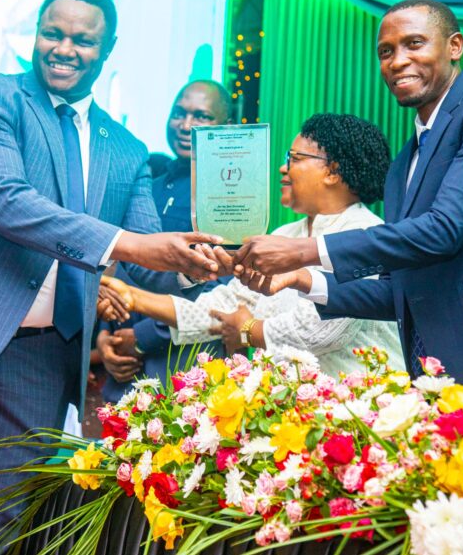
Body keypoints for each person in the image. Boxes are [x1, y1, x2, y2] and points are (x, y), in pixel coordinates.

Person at [0, 0, 222, 554]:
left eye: (82, 40)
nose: (64, 49)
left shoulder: (126, 149)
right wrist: (135, 245)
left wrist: (201, 261)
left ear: (108, 49)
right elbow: (8, 203)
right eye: (52, 34)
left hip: (39, 363)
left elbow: (148, 263)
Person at [233, 0, 463, 391]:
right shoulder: (402, 165)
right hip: (448, 379)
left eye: (414, 44)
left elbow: (444, 229)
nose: (397, 61)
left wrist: (304, 251)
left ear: (454, 46)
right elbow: (399, 290)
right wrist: (303, 279)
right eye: (385, 52)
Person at [102, 113, 404, 376]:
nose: (283, 169)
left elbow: (319, 331)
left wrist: (248, 330)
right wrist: (132, 296)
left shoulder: (365, 235)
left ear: (333, 172)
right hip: (290, 412)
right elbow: (224, 306)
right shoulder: (285, 234)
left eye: (294, 159)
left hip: (359, 410)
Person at [96, 79, 231, 403]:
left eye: (201, 116)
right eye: (179, 113)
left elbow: (223, 291)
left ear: (225, 126)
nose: (185, 125)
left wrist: (141, 338)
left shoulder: (229, 196)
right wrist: (105, 337)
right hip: (123, 372)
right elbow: (124, 263)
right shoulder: (149, 185)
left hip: (183, 375)